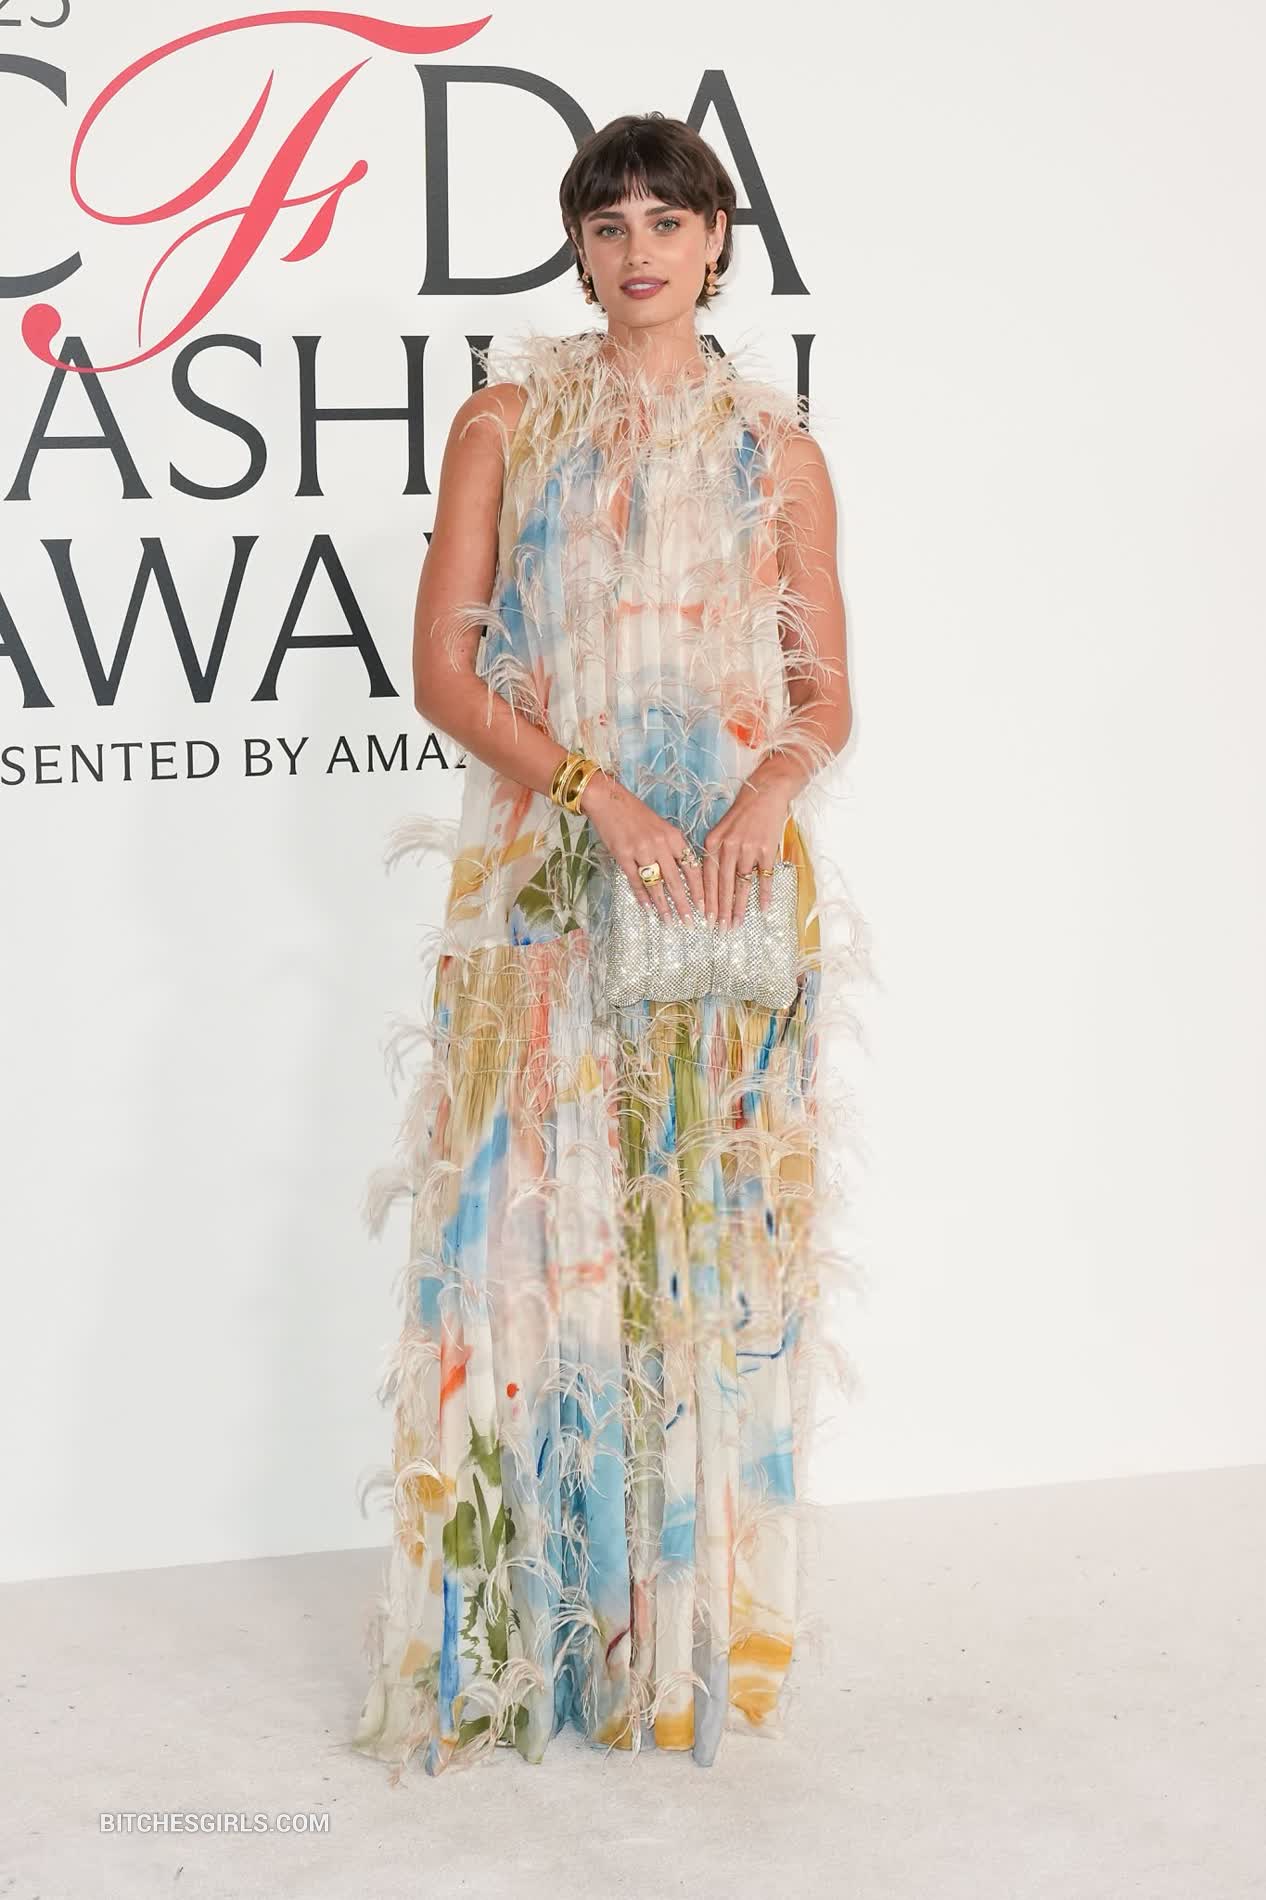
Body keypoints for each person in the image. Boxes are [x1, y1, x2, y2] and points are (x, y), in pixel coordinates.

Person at [350, 111, 859, 1780]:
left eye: (668, 219)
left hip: (720, 897)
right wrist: (596, 799)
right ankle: (528, 1649)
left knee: (698, 1247)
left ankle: (672, 1647)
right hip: (553, 893)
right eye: (606, 223)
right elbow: (446, 673)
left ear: (717, 242)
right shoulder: (506, 421)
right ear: (578, 250)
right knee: (530, 1237)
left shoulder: (775, 449)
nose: (638, 250)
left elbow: (824, 694)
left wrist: (759, 795)